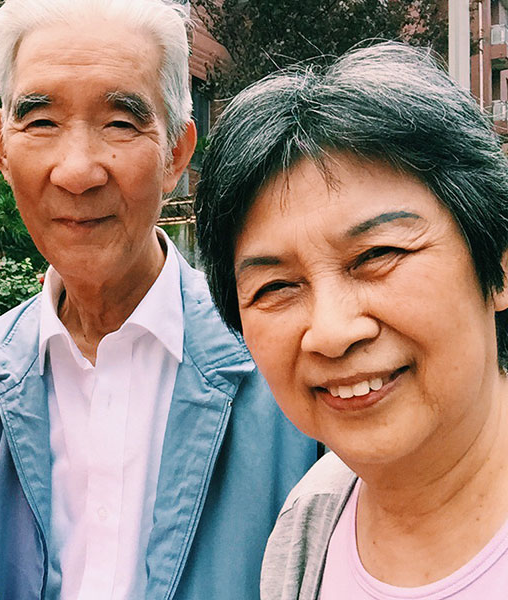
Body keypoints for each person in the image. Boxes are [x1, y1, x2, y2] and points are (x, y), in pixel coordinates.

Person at [0, 0, 319, 598]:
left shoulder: (288, 373)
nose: (78, 170)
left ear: (177, 154)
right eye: (41, 121)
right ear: (0, 146)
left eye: (120, 122)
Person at [194, 41, 508, 599]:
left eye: (376, 256)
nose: (333, 332)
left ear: (499, 264)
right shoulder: (306, 531)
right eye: (276, 287)